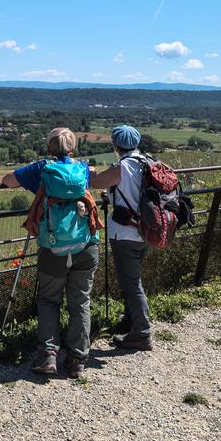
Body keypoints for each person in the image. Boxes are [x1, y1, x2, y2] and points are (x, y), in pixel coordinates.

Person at [1, 127, 100, 378]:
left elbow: (8, 180)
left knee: (48, 300)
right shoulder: (82, 169)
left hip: (53, 245)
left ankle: (48, 356)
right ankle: (77, 359)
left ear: (49, 147)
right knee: (80, 301)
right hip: (86, 243)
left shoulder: (42, 169)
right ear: (73, 148)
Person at [89, 125, 153, 351]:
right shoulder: (148, 162)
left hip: (125, 233)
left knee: (131, 282)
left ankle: (142, 333)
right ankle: (131, 321)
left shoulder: (123, 166)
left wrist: (89, 171)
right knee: (133, 278)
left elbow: (94, 182)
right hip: (147, 229)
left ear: (116, 145)